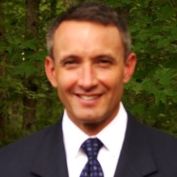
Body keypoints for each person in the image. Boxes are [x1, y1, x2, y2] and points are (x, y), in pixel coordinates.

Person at [0, 1, 177, 177]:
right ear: (52, 71)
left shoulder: (171, 160)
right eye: (71, 63)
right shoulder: (7, 165)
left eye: (103, 62)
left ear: (127, 67)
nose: (87, 81)